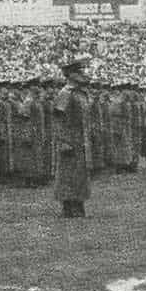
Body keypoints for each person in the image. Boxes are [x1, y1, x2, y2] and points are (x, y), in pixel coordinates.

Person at [52, 59, 91, 218]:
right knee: (68, 174)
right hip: (69, 140)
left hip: (80, 139)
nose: (83, 74)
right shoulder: (65, 93)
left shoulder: (81, 93)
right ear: (71, 75)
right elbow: (58, 120)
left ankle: (78, 204)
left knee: (80, 174)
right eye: (79, 72)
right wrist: (63, 141)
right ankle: (68, 206)